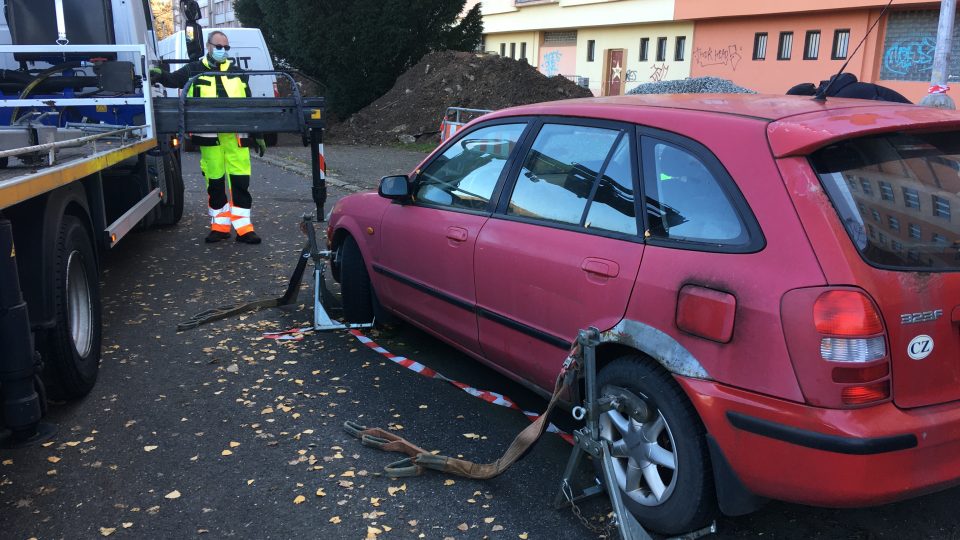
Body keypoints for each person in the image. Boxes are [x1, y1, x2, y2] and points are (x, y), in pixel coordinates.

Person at [151, 31, 267, 244]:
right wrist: (158, 74)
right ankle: (219, 227)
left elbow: (249, 104)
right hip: (210, 139)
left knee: (240, 183)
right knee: (215, 183)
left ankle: (244, 229)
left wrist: (258, 134)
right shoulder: (194, 69)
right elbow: (173, 79)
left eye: (226, 47)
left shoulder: (237, 72)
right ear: (208, 46)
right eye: (219, 46)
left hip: (236, 139)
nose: (222, 51)